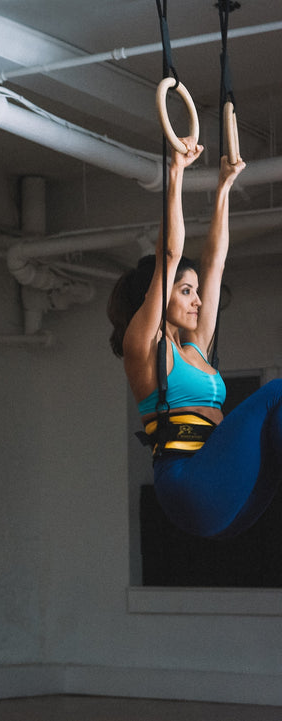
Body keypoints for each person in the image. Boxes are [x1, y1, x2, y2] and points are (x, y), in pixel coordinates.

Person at [108, 137, 281, 538]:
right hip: (189, 484)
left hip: (226, 502)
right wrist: (176, 173)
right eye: (186, 291)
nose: (198, 302)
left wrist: (223, 187)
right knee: (277, 392)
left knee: (276, 421)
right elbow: (169, 257)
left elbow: (215, 261)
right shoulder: (145, 349)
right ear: (158, 294)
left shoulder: (194, 348)